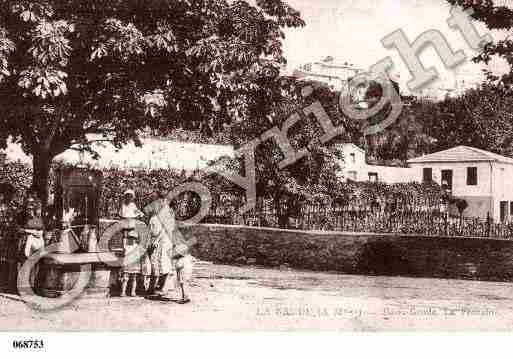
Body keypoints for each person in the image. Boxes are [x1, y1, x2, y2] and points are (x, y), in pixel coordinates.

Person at [143, 196, 173, 297]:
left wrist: (156, 240)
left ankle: (160, 288)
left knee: (163, 265)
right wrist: (148, 242)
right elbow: (149, 231)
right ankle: (153, 288)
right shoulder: (153, 218)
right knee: (154, 265)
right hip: (155, 242)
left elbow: (164, 230)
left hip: (163, 243)